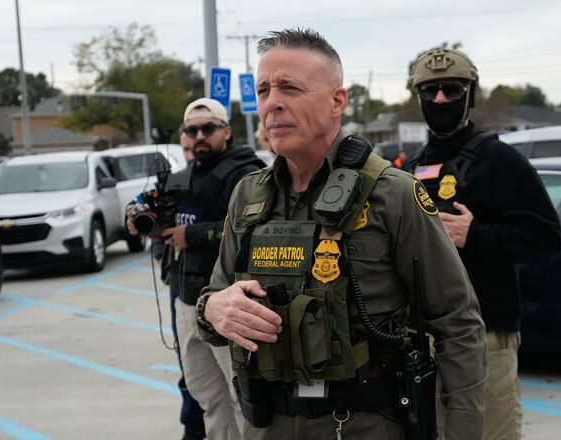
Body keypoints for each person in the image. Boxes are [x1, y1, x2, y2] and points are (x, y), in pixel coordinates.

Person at [195, 28, 486, 440]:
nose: (272, 102)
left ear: (337, 101)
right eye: (263, 90)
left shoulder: (394, 193)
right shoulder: (248, 195)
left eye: (290, 87)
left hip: (361, 424)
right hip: (267, 425)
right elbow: (215, 298)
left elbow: (458, 324)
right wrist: (212, 310)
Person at [402, 47, 561, 440]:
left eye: (452, 90)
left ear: (470, 95)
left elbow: (547, 236)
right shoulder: (413, 167)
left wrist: (476, 235)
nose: (440, 99)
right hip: (426, 339)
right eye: (430, 91)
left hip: (487, 335)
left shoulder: (502, 161)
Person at [127, 97, 265, 440]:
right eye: (192, 129)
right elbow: (151, 208)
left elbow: (254, 230)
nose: (199, 135)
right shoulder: (182, 177)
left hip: (228, 302)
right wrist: (138, 214)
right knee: (206, 396)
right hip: (187, 300)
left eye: (208, 128)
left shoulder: (245, 174)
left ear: (227, 132)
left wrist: (194, 233)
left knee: (240, 398)